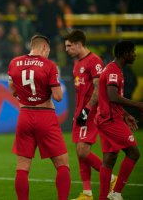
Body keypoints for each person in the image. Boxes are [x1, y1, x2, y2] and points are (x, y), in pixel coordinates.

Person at [8, 35, 71, 200]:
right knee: (63, 165)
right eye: (48, 51)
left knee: (22, 168)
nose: (48, 54)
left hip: (24, 116)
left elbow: (13, 91)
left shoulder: (14, 62)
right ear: (44, 47)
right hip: (45, 116)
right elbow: (58, 97)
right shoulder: (49, 65)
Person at [64, 30, 116, 200]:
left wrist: (87, 109)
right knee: (79, 152)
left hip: (91, 113)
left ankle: (111, 179)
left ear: (79, 44)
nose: (66, 49)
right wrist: (79, 111)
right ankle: (87, 193)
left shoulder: (94, 61)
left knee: (83, 151)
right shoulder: (77, 62)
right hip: (80, 112)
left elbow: (98, 88)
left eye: (69, 46)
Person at [96, 41, 142, 200]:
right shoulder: (113, 71)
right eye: (132, 52)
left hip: (107, 117)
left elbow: (111, 100)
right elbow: (112, 96)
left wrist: (125, 114)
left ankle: (103, 197)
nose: (135, 54)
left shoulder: (114, 69)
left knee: (109, 159)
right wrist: (137, 105)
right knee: (134, 153)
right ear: (124, 54)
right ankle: (116, 193)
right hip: (109, 120)